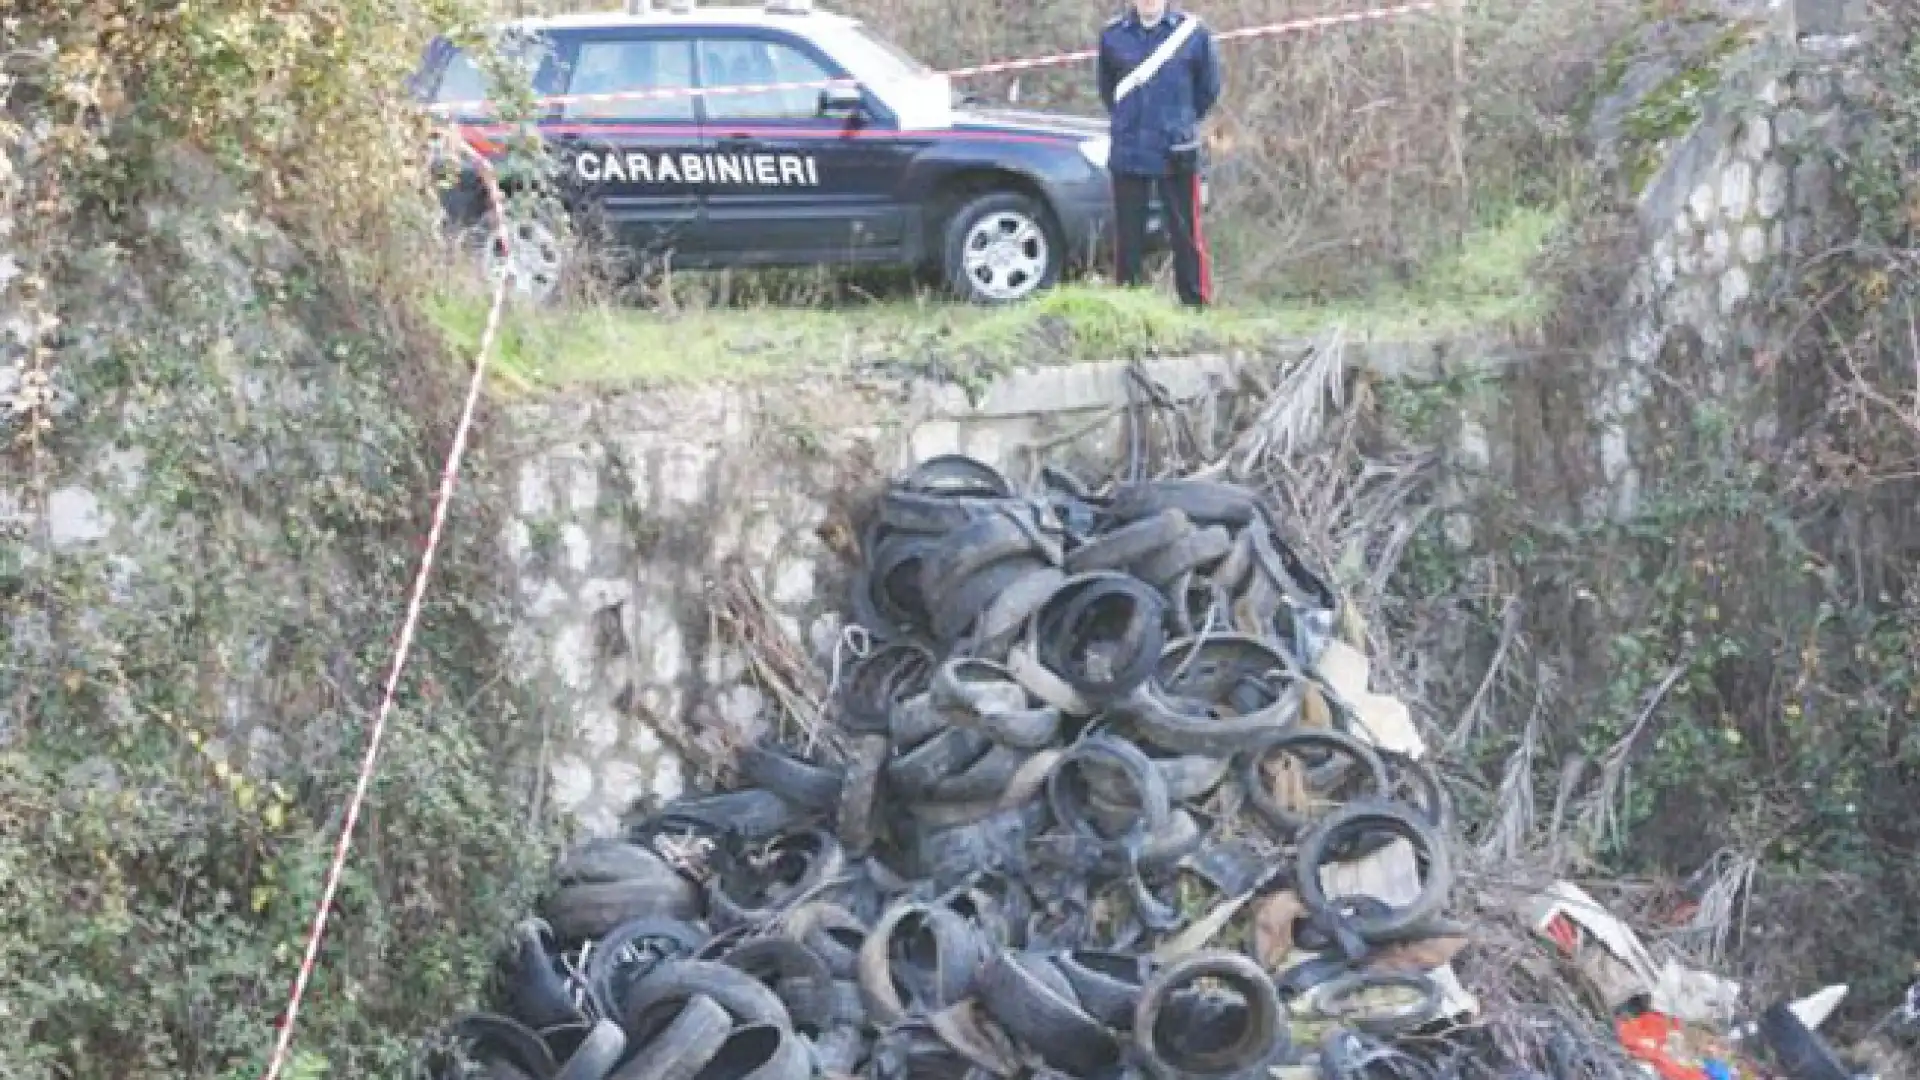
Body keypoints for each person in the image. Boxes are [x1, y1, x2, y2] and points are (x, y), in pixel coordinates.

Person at [1096, 0, 1221, 308]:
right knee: (1129, 236)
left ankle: (1195, 304)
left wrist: (1179, 123)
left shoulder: (1194, 34)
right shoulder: (1112, 36)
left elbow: (1208, 89)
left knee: (1185, 232)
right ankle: (1130, 305)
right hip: (1130, 148)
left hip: (1175, 149)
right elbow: (1108, 90)